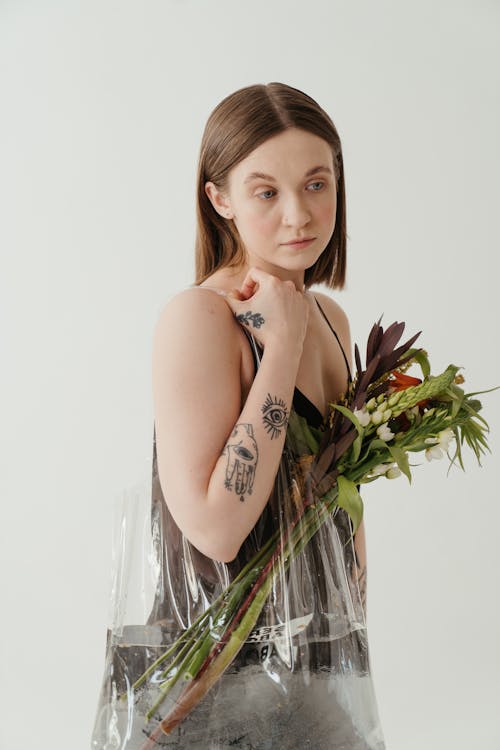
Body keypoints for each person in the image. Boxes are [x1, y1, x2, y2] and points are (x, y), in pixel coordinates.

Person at [92, 81, 386, 750]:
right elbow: (218, 533)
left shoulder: (331, 321)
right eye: (266, 192)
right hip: (207, 687)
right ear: (218, 198)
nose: (298, 215)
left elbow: (341, 495)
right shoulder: (199, 318)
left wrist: (351, 627)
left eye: (317, 184)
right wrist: (279, 350)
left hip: (313, 672)